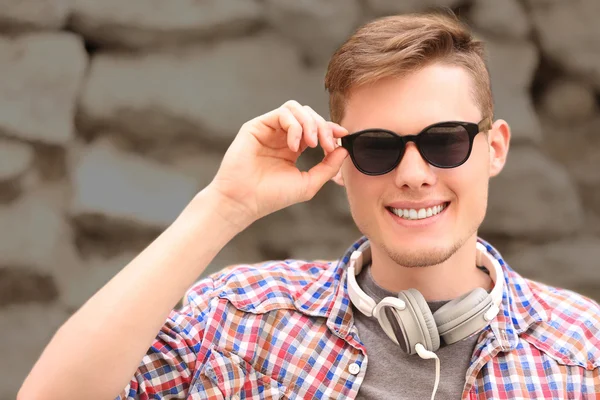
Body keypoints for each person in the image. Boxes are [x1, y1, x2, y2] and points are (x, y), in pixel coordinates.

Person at [19, 10, 600, 400]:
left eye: (444, 141)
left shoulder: (585, 357)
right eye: (377, 148)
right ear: (341, 160)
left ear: (494, 148)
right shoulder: (240, 321)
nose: (414, 175)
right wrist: (223, 205)